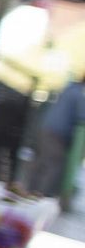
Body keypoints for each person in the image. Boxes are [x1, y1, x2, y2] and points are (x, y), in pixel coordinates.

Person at [30, 73, 85, 207]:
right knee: (54, 165)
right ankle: (41, 199)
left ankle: (30, 194)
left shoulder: (70, 88)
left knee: (42, 163)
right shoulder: (78, 94)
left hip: (47, 128)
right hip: (57, 133)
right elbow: (82, 115)